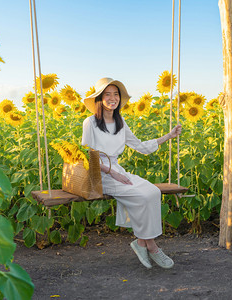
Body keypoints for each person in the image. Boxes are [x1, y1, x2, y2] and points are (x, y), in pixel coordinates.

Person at [82, 77, 182, 269]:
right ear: (99, 99)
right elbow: (89, 156)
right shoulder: (90, 122)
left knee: (153, 191)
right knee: (142, 194)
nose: (113, 98)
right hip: (99, 175)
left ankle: (141, 242)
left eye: (116, 94)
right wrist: (112, 173)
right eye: (107, 94)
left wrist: (169, 136)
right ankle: (151, 246)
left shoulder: (120, 122)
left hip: (117, 170)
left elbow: (141, 147)